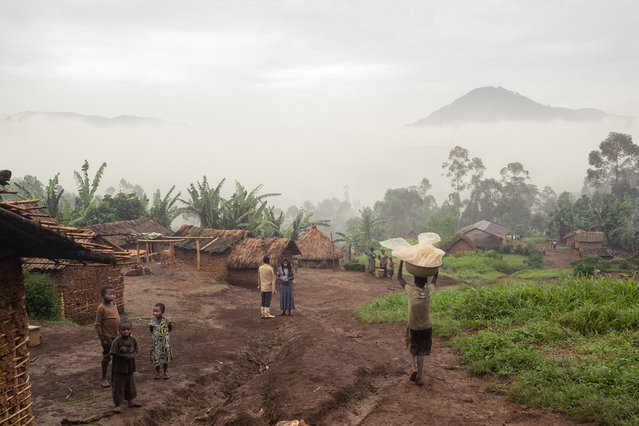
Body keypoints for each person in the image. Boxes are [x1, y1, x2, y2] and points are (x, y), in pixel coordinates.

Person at [397, 260, 436, 386]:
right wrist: (436, 265)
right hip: (426, 327)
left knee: (410, 347)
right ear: (426, 281)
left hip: (413, 327)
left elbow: (399, 277)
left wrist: (401, 261)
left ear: (414, 280)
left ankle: (413, 368)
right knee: (421, 352)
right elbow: (435, 278)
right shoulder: (429, 291)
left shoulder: (411, 291)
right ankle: (420, 377)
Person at [110, 319, 141, 413]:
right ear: (119, 330)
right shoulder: (117, 341)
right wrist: (124, 356)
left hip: (130, 367)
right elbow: (113, 352)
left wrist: (132, 355)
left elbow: (136, 350)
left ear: (131, 329)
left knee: (130, 384)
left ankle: (131, 400)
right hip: (119, 368)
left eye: (128, 329)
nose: (126, 331)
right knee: (118, 386)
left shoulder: (133, 340)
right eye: (123, 330)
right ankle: (118, 404)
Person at [95, 285, 121, 388]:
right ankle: (104, 379)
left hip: (117, 336)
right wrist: (102, 340)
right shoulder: (101, 308)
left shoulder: (114, 303)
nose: (112, 296)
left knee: (117, 357)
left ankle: (114, 378)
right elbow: (97, 325)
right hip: (107, 337)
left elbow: (117, 318)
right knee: (107, 357)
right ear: (102, 295)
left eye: (113, 293)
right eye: (109, 294)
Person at [149, 303, 173, 379]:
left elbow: (170, 328)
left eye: (157, 311)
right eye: (154, 311)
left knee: (165, 358)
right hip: (156, 344)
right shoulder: (152, 322)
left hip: (165, 344)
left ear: (163, 312)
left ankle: (165, 373)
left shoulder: (166, 321)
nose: (154, 313)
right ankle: (157, 373)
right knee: (156, 359)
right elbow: (151, 330)